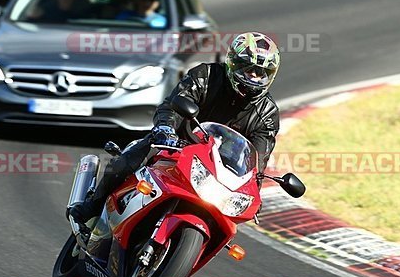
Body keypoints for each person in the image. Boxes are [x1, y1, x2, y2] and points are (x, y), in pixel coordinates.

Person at [67, 32, 281, 228]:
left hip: (218, 171)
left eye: (262, 73)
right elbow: (172, 105)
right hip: (175, 144)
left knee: (224, 220)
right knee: (124, 163)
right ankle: (92, 207)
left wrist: (255, 190)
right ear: (233, 63)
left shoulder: (267, 114)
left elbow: (258, 160)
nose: (254, 77)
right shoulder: (205, 75)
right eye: (248, 68)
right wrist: (166, 129)